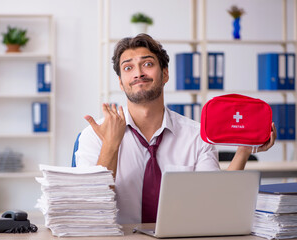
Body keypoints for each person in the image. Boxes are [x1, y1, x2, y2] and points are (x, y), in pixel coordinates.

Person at [75, 34, 276, 224]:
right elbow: (91, 209)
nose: (138, 73)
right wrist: (111, 145)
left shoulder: (198, 136)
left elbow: (217, 205)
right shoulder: (94, 135)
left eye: (147, 64)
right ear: (120, 82)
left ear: (165, 74)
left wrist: (244, 151)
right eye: (128, 68)